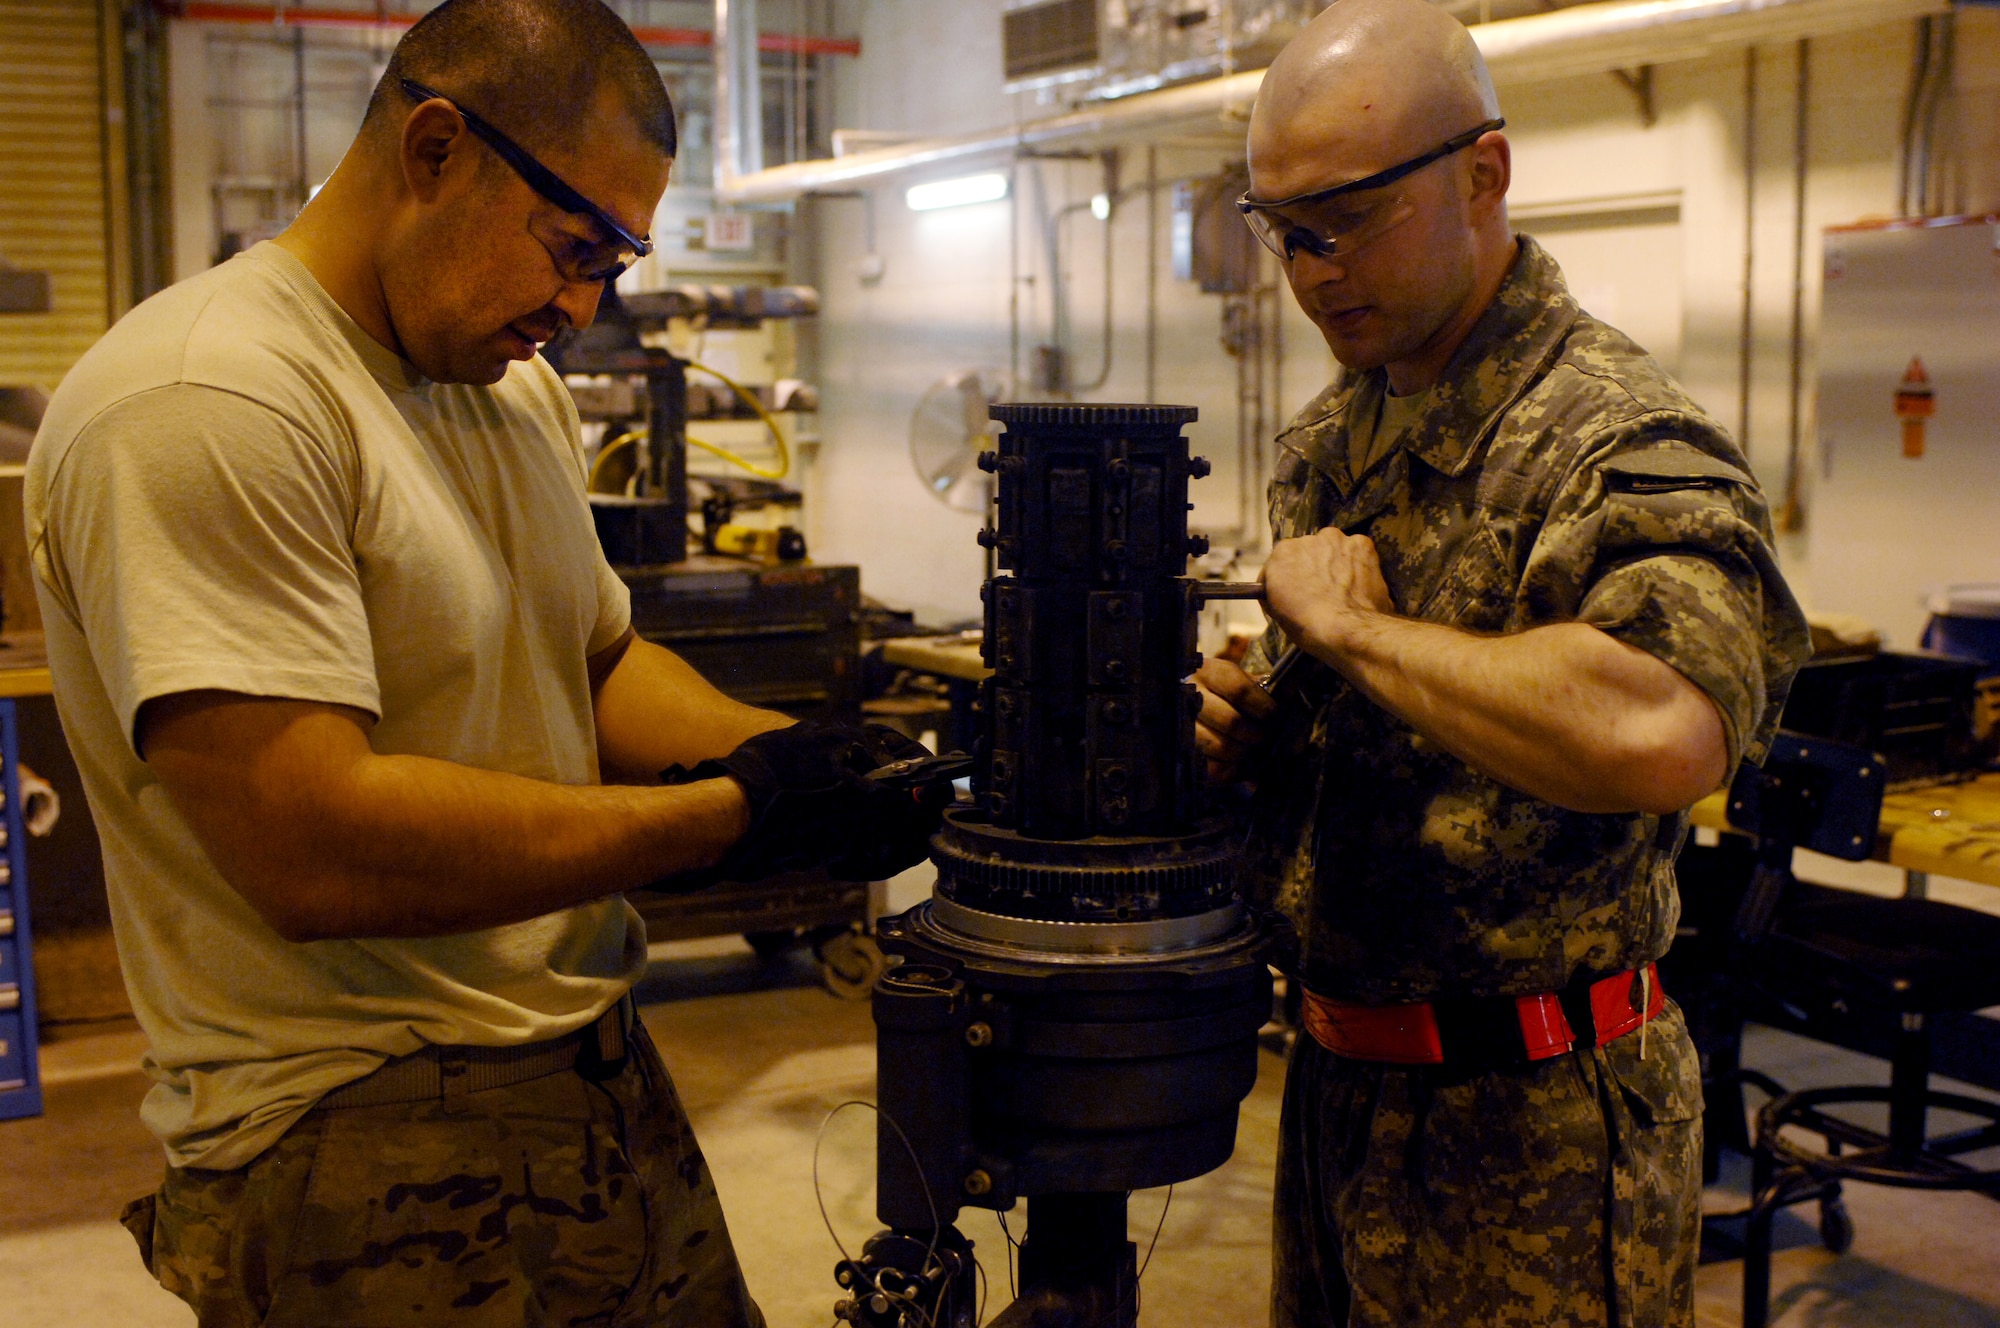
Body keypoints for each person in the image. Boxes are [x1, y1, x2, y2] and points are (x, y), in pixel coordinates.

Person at [26, 2, 935, 1323]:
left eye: (615, 265)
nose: (583, 306)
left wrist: (801, 760)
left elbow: (597, 660)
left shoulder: (509, 389)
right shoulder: (207, 399)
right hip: (354, 1133)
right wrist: (734, 817)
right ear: (437, 149)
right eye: (575, 250)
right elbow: (312, 846)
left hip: (588, 1066)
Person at [1193, 1, 1811, 1324]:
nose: (1312, 270)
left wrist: (1357, 631)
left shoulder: (1613, 437)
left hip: (1535, 1131)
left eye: (1349, 218)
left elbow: (1665, 730)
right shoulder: (1335, 438)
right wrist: (1260, 728)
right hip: (1336, 1090)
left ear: (1484, 175)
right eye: (1282, 229)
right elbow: (1384, 731)